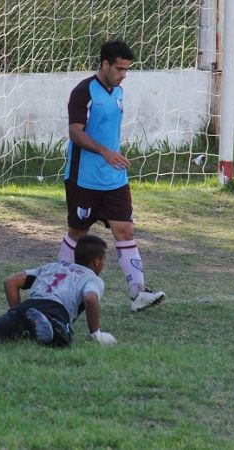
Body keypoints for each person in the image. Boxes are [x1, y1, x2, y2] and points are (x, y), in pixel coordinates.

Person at [58, 40, 165, 312]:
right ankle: (57, 287)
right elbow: (75, 132)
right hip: (84, 178)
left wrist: (112, 156)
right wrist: (105, 152)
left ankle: (138, 293)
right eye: (119, 68)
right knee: (78, 232)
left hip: (114, 177)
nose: (123, 74)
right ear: (105, 64)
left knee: (125, 229)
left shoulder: (118, 91)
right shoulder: (83, 92)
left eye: (127, 70)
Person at [0, 235, 117, 347]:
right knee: (62, 340)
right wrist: (96, 334)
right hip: (55, 310)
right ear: (96, 261)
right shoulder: (93, 278)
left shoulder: (53, 266)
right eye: (103, 260)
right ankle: (43, 322)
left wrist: (16, 313)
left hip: (27, 306)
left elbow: (11, 282)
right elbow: (90, 299)